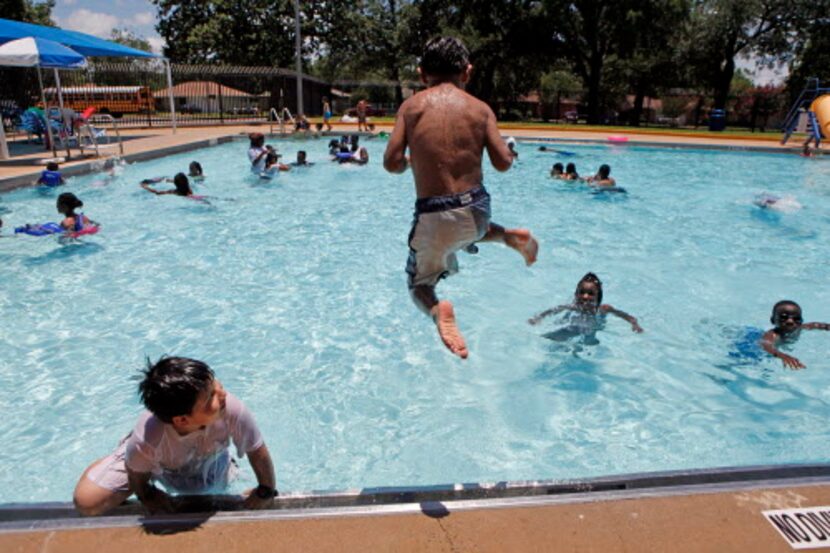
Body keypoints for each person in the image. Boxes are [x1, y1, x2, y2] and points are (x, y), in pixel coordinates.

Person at [383, 36, 539, 359]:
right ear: (467, 72)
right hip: (477, 209)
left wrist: (409, 164)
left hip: (434, 216)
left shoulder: (411, 107)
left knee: (418, 284)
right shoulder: (481, 109)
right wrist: (508, 153)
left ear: (422, 73)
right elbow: (502, 163)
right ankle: (509, 236)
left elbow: (391, 162)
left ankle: (437, 311)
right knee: (469, 228)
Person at [73, 356, 277, 516]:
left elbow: (257, 451)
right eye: (210, 398)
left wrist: (266, 490)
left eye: (216, 384)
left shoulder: (230, 408)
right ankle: (117, 457)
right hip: (153, 463)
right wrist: (147, 494)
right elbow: (136, 473)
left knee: (208, 490)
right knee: (88, 503)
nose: (222, 394)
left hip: (207, 460)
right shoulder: (148, 438)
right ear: (182, 420)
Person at [528, 273, 643, 341]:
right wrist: (538, 318)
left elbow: (626, 316)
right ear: (576, 293)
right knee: (547, 337)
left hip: (592, 330)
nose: (585, 296)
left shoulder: (603, 309)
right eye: (582, 292)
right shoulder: (574, 307)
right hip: (572, 328)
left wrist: (635, 324)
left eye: (590, 293)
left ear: (598, 295)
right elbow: (556, 309)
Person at [761, 301, 830, 369]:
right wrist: (782, 355)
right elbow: (767, 346)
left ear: (801, 321)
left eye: (796, 319)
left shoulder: (800, 327)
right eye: (784, 317)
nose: (790, 321)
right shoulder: (773, 334)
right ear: (772, 320)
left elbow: (819, 325)